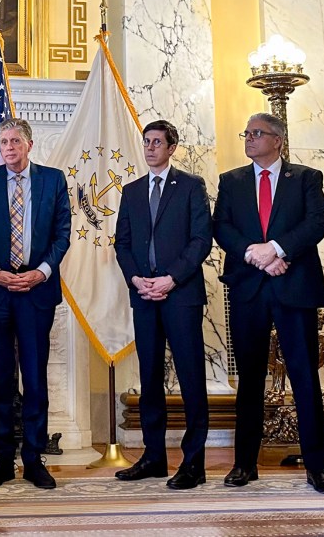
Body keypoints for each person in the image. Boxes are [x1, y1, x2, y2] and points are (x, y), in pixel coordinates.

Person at [213, 113, 324, 494]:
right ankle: (244, 464)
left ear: (277, 140)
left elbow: (316, 223)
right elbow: (222, 227)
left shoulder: (305, 178)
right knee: (249, 378)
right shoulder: (231, 181)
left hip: (293, 284)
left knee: (303, 375)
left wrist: (278, 249)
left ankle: (317, 467)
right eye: (246, 133)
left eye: (256, 133)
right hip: (249, 287)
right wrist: (256, 254)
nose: (248, 139)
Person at [0, 118, 71, 489]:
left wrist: (41, 272)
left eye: (14, 141)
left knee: (35, 377)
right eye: (3, 142)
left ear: (29, 144)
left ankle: (33, 459)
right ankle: (3, 460)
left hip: (35, 290)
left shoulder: (53, 180)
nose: (8, 148)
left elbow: (62, 234)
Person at [113, 120, 212, 489]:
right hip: (144, 295)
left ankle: (193, 464)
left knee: (190, 378)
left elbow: (201, 240)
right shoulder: (133, 190)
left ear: (171, 147)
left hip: (180, 294)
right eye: (147, 141)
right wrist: (137, 279)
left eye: (158, 142)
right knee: (150, 378)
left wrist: (171, 278)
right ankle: (154, 457)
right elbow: (121, 243)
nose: (151, 147)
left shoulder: (190, 186)